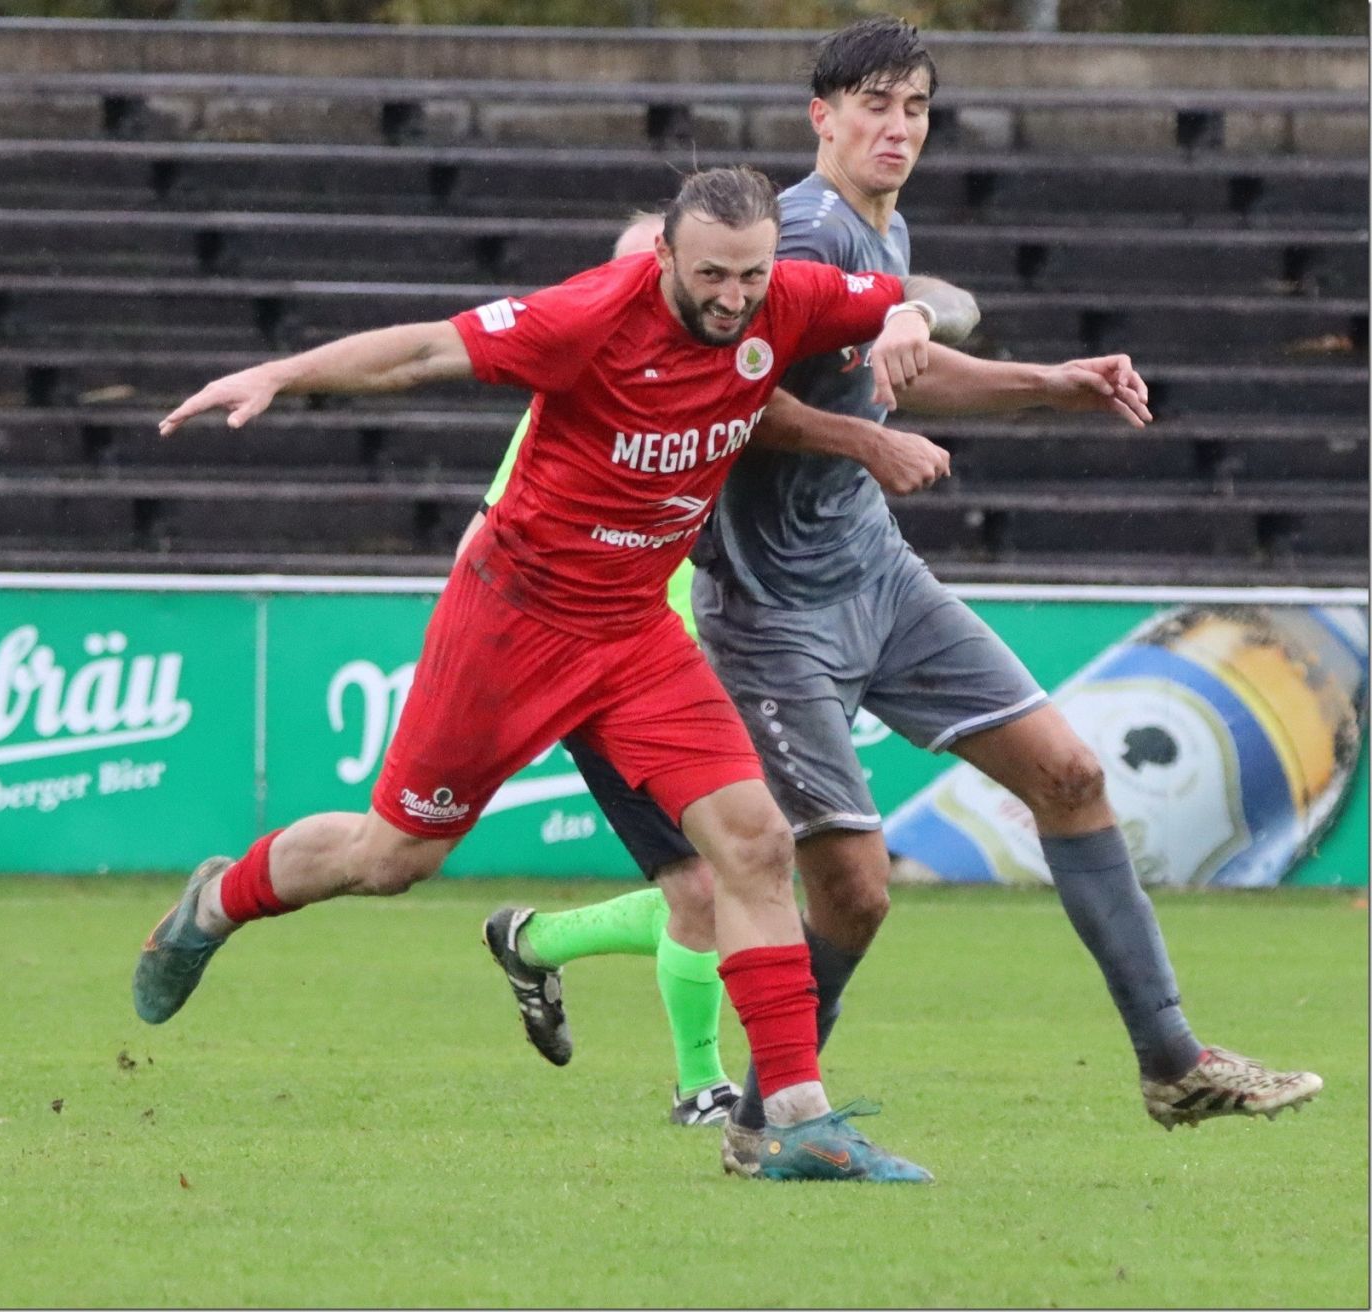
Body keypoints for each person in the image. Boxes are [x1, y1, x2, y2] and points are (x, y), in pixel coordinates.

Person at [476, 17, 1322, 1180]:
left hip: (875, 576)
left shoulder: (877, 229)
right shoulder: (791, 232)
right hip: (770, 612)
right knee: (853, 893)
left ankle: (1170, 1057)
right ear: (818, 116)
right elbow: (719, 387)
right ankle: (770, 1119)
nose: (896, 126)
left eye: (913, 108)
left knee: (1068, 775)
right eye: (872, 104)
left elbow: (905, 368)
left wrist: (1051, 382)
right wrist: (868, 441)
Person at [136, 163, 962, 1182]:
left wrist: (910, 311)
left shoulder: (784, 295)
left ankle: (790, 1122)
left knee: (749, 847)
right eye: (710, 274)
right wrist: (280, 374)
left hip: (632, 633)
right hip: (512, 623)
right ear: (663, 255)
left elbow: (937, 298)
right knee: (389, 858)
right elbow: (423, 351)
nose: (731, 298)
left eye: (749, 276)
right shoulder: (587, 315)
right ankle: (220, 901)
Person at [468, 209, 967, 1129]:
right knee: (709, 882)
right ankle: (704, 1085)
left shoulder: (715, 385)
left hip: (698, 664)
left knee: (739, 870)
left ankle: (534, 941)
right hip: (609, 669)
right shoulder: (576, 409)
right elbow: (491, 544)